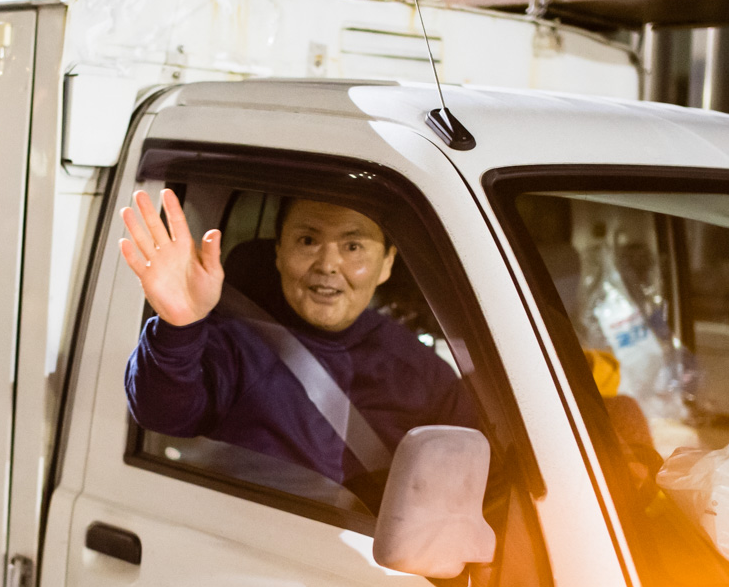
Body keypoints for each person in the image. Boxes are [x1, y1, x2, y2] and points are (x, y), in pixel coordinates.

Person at [121, 188, 478, 501]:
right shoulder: (233, 343)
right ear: (279, 253)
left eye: (352, 246)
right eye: (308, 241)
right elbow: (162, 413)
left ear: (387, 263)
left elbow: (469, 487)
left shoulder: (425, 373)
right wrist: (178, 325)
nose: (328, 265)